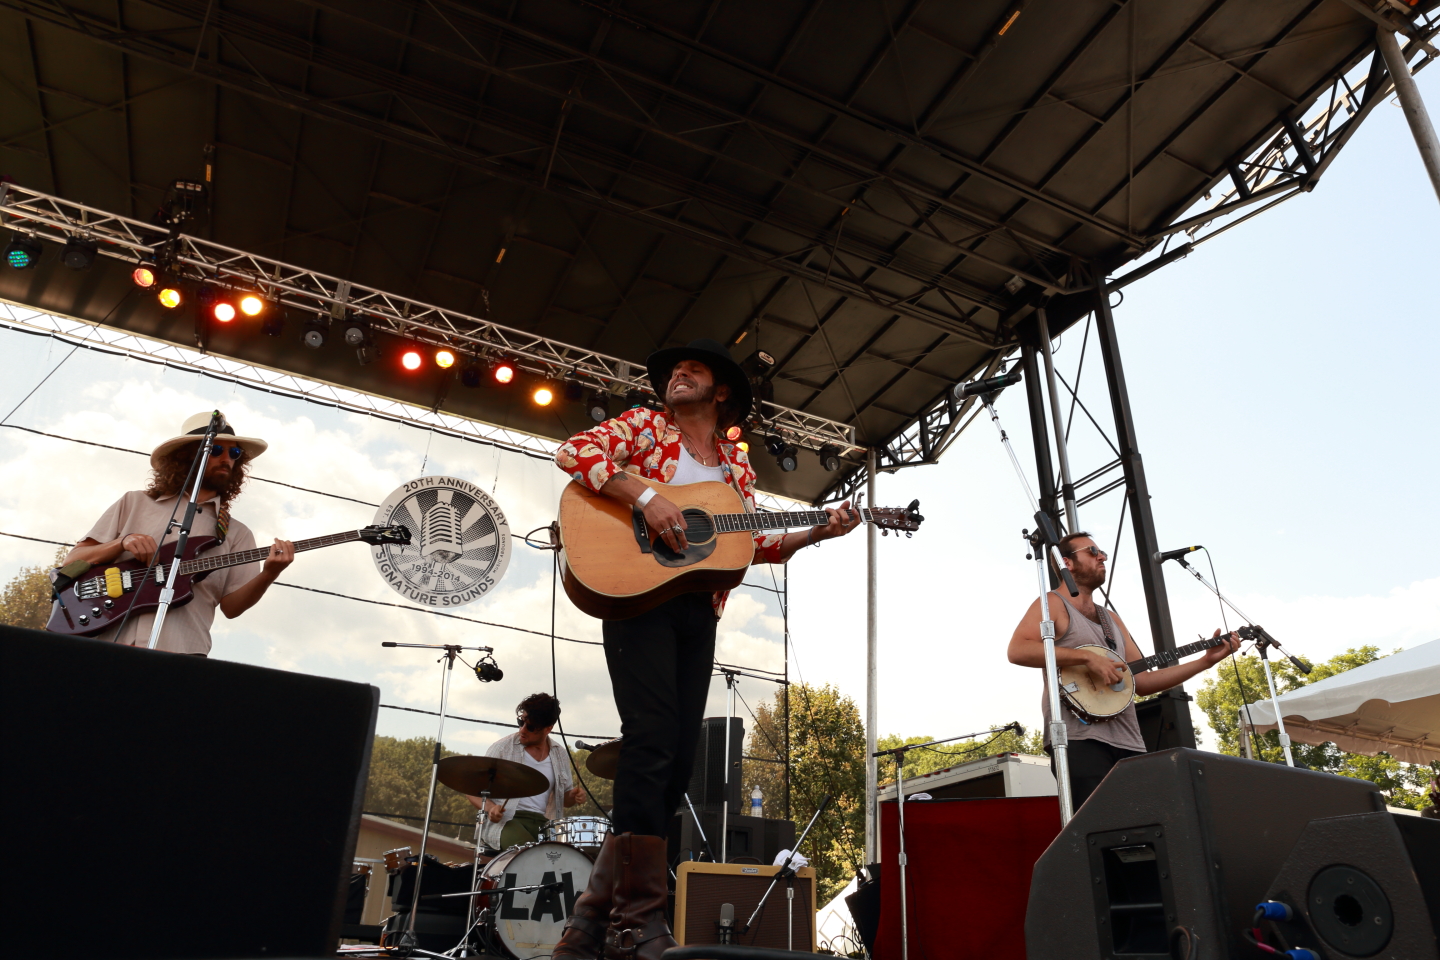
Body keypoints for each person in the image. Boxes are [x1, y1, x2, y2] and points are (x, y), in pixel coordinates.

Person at [551, 339, 861, 960]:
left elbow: (745, 543)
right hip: (638, 595)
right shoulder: (645, 427)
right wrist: (647, 498)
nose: (678, 374)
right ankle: (636, 921)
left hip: (699, 610)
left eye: (693, 369)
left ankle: (587, 927)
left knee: (675, 758)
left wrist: (814, 533)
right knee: (650, 738)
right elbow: (574, 452)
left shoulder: (736, 468)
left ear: (721, 392)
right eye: (674, 370)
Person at [1007, 531, 1240, 808]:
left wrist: (1206, 661)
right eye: (1093, 551)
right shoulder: (1052, 604)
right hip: (1080, 739)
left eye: (1102, 552)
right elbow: (1018, 650)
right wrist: (1086, 658)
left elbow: (1142, 682)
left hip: (1129, 741)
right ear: (1067, 562)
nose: (1102, 557)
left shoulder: (1111, 618)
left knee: (1141, 822)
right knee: (1101, 824)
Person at [61, 411, 294, 655]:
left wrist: (270, 573)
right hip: (109, 645)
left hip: (183, 653)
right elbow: (72, 561)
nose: (226, 459)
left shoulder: (237, 533)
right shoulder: (134, 502)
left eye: (234, 453)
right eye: (216, 450)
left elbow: (232, 608)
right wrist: (122, 542)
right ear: (187, 456)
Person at [468, 692, 585, 850]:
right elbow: (471, 790)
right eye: (521, 722)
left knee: (565, 855)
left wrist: (572, 796)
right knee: (531, 854)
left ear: (548, 729)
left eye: (530, 727)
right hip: (506, 821)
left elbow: (564, 800)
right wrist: (491, 808)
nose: (522, 730)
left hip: (544, 823)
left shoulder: (560, 754)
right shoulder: (502, 748)